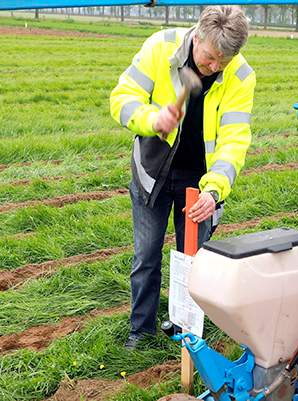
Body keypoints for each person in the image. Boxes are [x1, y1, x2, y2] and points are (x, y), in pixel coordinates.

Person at [109, 5, 255, 350]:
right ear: (198, 36)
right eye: (209, 58)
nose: (214, 67)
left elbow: (234, 140)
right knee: (146, 256)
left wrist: (214, 191)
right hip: (153, 172)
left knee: (195, 262)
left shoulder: (241, 75)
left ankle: (186, 332)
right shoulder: (160, 47)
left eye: (224, 60)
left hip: (200, 181)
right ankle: (140, 332)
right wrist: (152, 118)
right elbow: (121, 99)